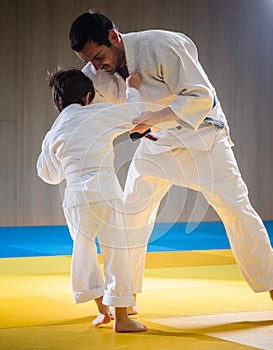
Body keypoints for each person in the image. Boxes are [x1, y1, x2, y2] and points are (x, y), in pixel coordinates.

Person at [69, 11, 273, 300]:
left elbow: (202, 97)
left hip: (202, 137)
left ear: (114, 37)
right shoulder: (95, 73)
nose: (96, 65)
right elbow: (80, 106)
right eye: (88, 61)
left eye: (98, 56)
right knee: (130, 215)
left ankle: (272, 284)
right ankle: (125, 298)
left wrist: (155, 115)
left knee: (237, 210)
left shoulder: (163, 46)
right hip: (157, 142)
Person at [36, 68, 147, 333]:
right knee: (116, 252)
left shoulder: (54, 132)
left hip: (75, 199)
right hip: (105, 193)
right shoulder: (98, 114)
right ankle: (122, 319)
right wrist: (132, 87)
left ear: (57, 104)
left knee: (84, 254)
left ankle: (102, 312)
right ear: (88, 97)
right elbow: (134, 115)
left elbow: (48, 175)